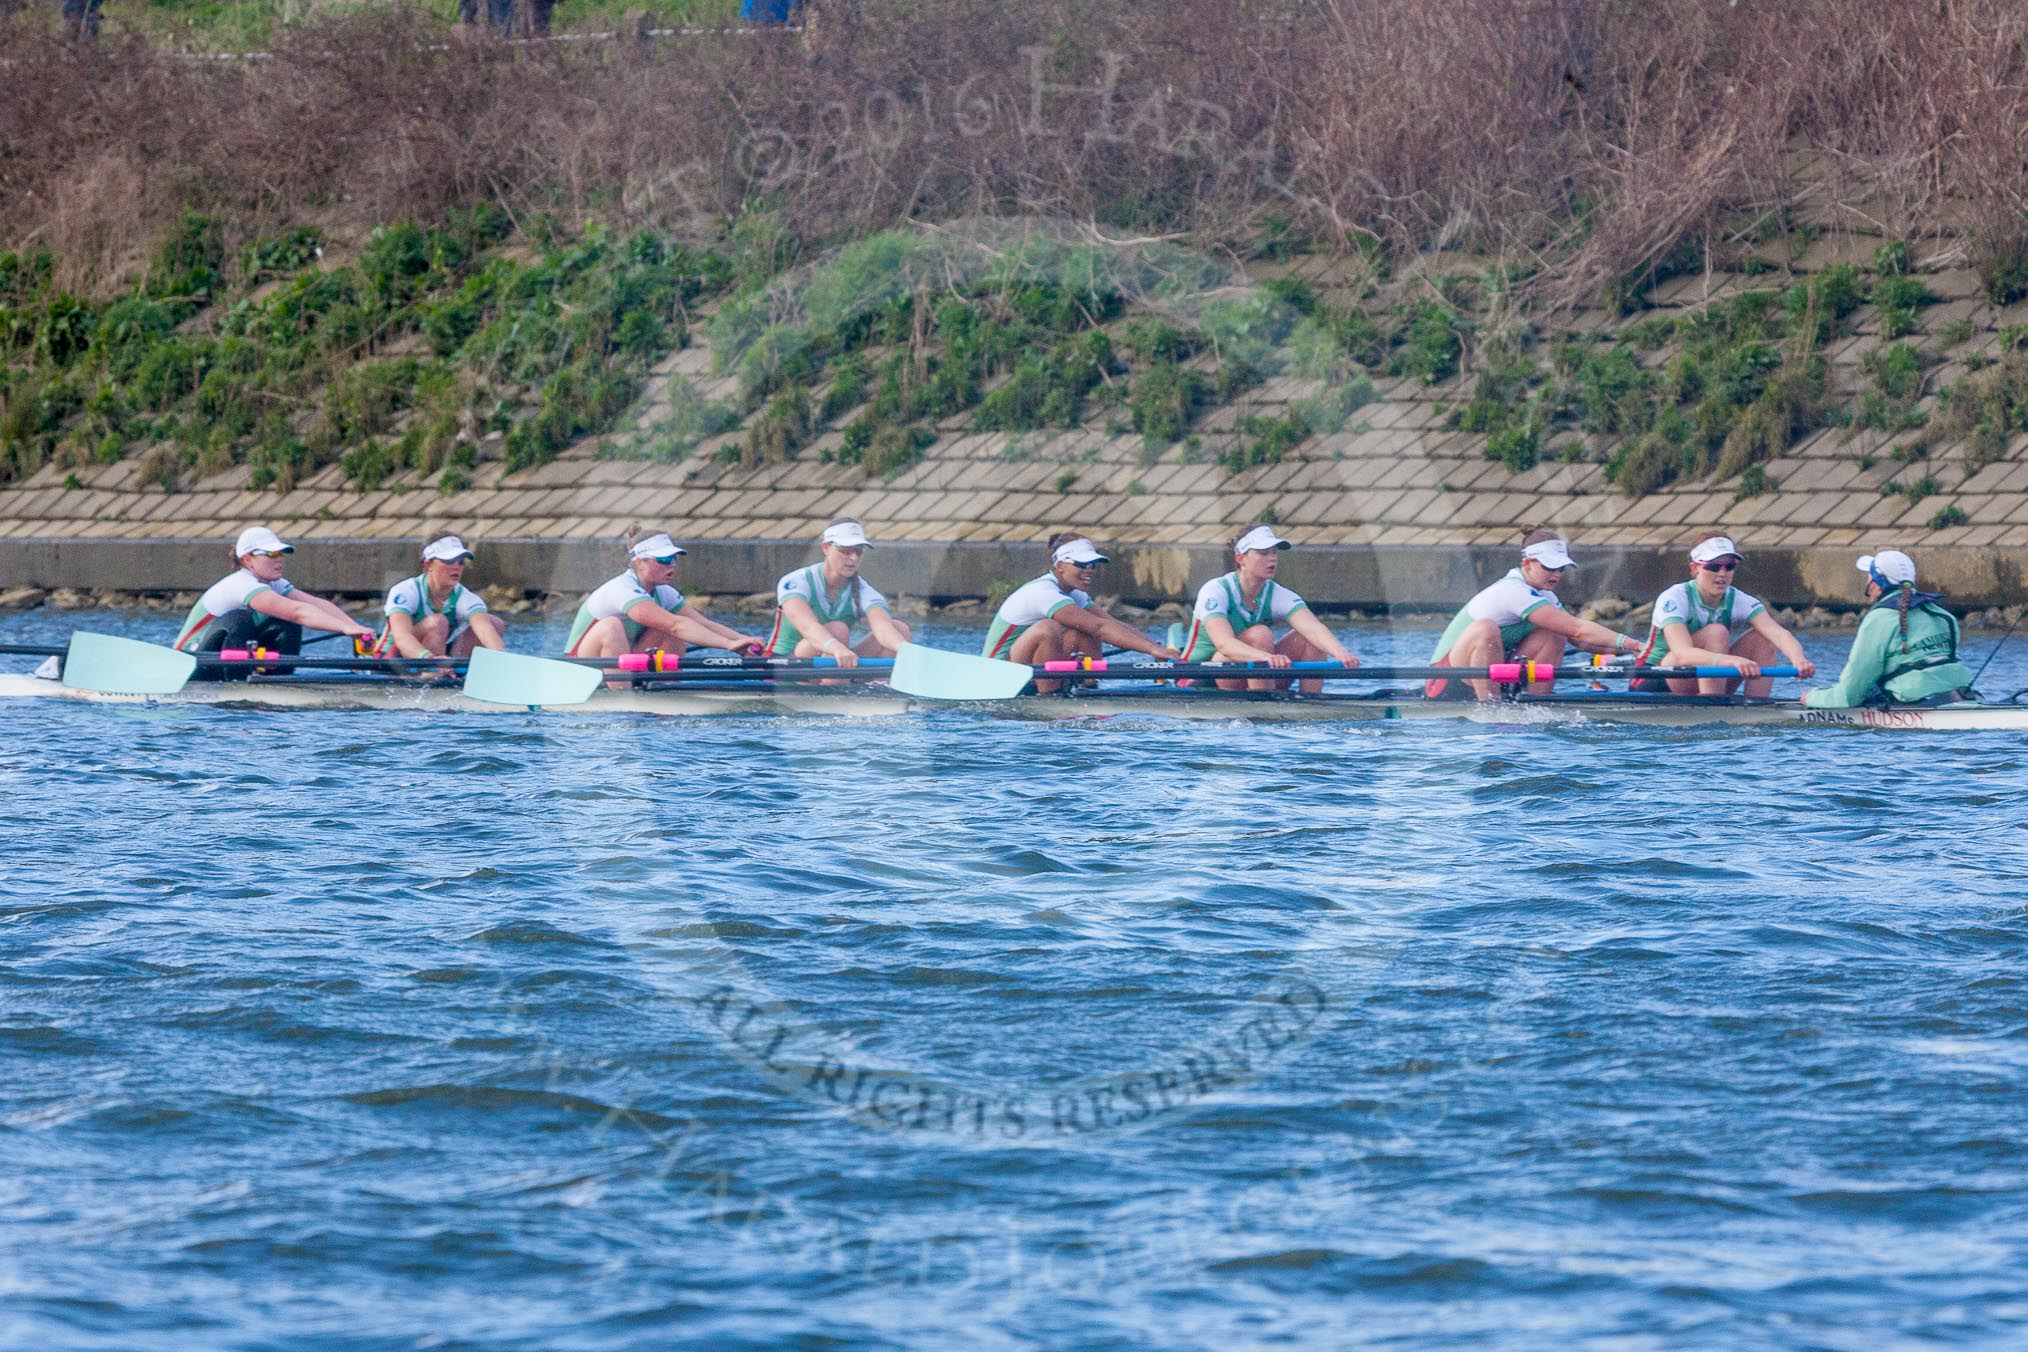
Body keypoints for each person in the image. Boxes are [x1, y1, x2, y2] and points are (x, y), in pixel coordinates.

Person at [1427, 528, 1646, 700]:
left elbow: (1578, 639)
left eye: (1561, 568)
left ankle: (1537, 706)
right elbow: (1579, 630)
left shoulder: (1544, 596)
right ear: (1527, 563)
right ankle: (1491, 709)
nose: (1556, 574)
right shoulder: (1512, 590)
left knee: (1555, 633)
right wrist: (1633, 644)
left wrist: (1639, 653)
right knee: (1486, 628)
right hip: (1447, 682)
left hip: (1493, 676)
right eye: (1549, 567)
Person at [983, 533, 1181, 692]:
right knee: (1049, 628)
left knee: (1084, 629)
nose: (1089, 570)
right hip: (1000, 675)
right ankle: (1050, 696)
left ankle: (1089, 688)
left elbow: (1113, 625)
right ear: (1059, 566)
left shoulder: (1075, 594)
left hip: (1027, 668)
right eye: (1081, 564)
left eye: (1092, 564)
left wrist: (1157, 648)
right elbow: (1099, 628)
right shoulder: (1043, 592)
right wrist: (1150, 650)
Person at [1630, 533, 1814, 695]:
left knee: (1764, 638)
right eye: (1714, 567)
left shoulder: (1739, 600)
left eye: (1729, 566)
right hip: (1651, 678)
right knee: (1716, 632)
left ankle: (1757, 709)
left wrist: (1799, 660)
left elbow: (1779, 634)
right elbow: (1682, 653)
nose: (1722, 573)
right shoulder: (1675, 598)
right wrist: (1731, 661)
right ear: (1695, 568)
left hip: (1705, 675)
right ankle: (1713, 704)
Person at [1182, 524, 1358, 692]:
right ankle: (1264, 708)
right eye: (1263, 553)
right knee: (1260, 633)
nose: (1272, 558)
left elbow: (1314, 629)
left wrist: (1341, 653)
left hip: (1253, 670)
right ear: (1240, 558)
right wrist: (1266, 658)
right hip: (1201, 675)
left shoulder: (1277, 594)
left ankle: (1311, 703)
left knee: (1308, 639)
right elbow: (1225, 644)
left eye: (1274, 552)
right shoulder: (1215, 590)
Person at [1804, 550, 1978, 708]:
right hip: (1963, 692)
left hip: (1912, 700)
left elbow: (1850, 695)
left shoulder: (1879, 619)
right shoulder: (1943, 615)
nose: (1868, 584)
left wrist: (1814, 698)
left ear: (1877, 583)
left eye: (1869, 577)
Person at [174, 526, 379, 660]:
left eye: (281, 553)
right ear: (248, 559)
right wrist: (344, 628)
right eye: (271, 554)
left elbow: (317, 605)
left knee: (287, 624)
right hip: (190, 658)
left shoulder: (275, 583)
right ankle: (234, 682)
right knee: (241, 618)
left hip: (223, 654)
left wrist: (356, 628)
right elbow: (298, 611)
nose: (279, 559)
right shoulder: (241, 584)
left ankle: (279, 680)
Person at [565, 529, 768, 661]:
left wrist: (743, 641)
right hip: (582, 665)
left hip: (625, 660)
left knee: (675, 626)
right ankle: (623, 703)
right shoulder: (622, 589)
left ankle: (666, 692)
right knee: (613, 626)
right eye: (663, 559)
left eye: (673, 558)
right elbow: (675, 625)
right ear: (640, 563)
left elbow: (705, 624)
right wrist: (728, 645)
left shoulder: (664, 593)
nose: (671, 565)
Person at [764, 520, 911, 667]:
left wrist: (906, 650)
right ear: (826, 548)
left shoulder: (865, 592)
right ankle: (836, 683)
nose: (853, 558)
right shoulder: (796, 582)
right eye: (846, 550)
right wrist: (837, 648)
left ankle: (877, 684)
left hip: (833, 656)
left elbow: (883, 628)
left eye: (858, 551)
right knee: (838, 630)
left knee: (899, 629)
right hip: (781, 663)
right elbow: (808, 628)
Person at [378, 534, 506, 662]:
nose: (457, 567)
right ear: (428, 565)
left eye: (461, 561)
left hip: (435, 658)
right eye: (449, 561)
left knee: (494, 623)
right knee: (438, 622)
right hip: (392, 658)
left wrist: (502, 658)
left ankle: (454, 673)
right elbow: (402, 638)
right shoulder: (405, 591)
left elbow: (484, 629)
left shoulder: (466, 598)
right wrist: (430, 659)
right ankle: (433, 673)